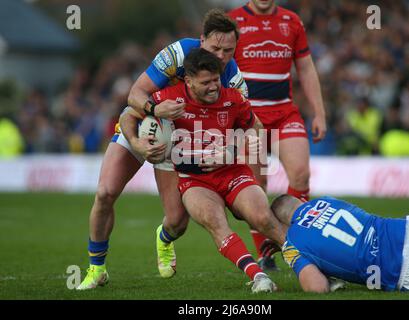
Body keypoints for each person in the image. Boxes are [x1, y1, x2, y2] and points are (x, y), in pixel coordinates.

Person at [76, 9, 248, 290]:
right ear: (201, 39)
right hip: (142, 125)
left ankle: (164, 238)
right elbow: (134, 95)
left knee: (178, 223)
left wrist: (228, 150)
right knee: (105, 192)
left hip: (182, 143)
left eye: (228, 50)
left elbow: (245, 125)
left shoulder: (233, 79)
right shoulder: (177, 54)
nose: (220, 56)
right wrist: (146, 126)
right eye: (215, 48)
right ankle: (96, 269)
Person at [153, 48, 285, 292]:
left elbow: (255, 127)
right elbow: (130, 112)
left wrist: (231, 151)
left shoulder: (233, 98)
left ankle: (316, 264)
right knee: (206, 223)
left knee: (263, 217)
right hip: (195, 180)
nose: (214, 87)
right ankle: (259, 277)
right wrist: (147, 123)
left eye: (216, 80)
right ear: (188, 81)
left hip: (233, 172)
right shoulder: (168, 99)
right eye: (206, 82)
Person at [228, 0, 327, 269]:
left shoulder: (292, 21)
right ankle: (265, 251)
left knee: (301, 174)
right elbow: (218, 68)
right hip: (248, 118)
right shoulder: (232, 22)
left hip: (284, 113)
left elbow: (305, 68)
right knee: (255, 189)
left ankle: (293, 237)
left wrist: (319, 112)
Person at [262, 194, 409, 293]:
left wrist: (289, 253)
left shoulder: (294, 241)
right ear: (302, 201)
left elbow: (317, 288)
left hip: (403, 267)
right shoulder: (325, 200)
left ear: (283, 224)